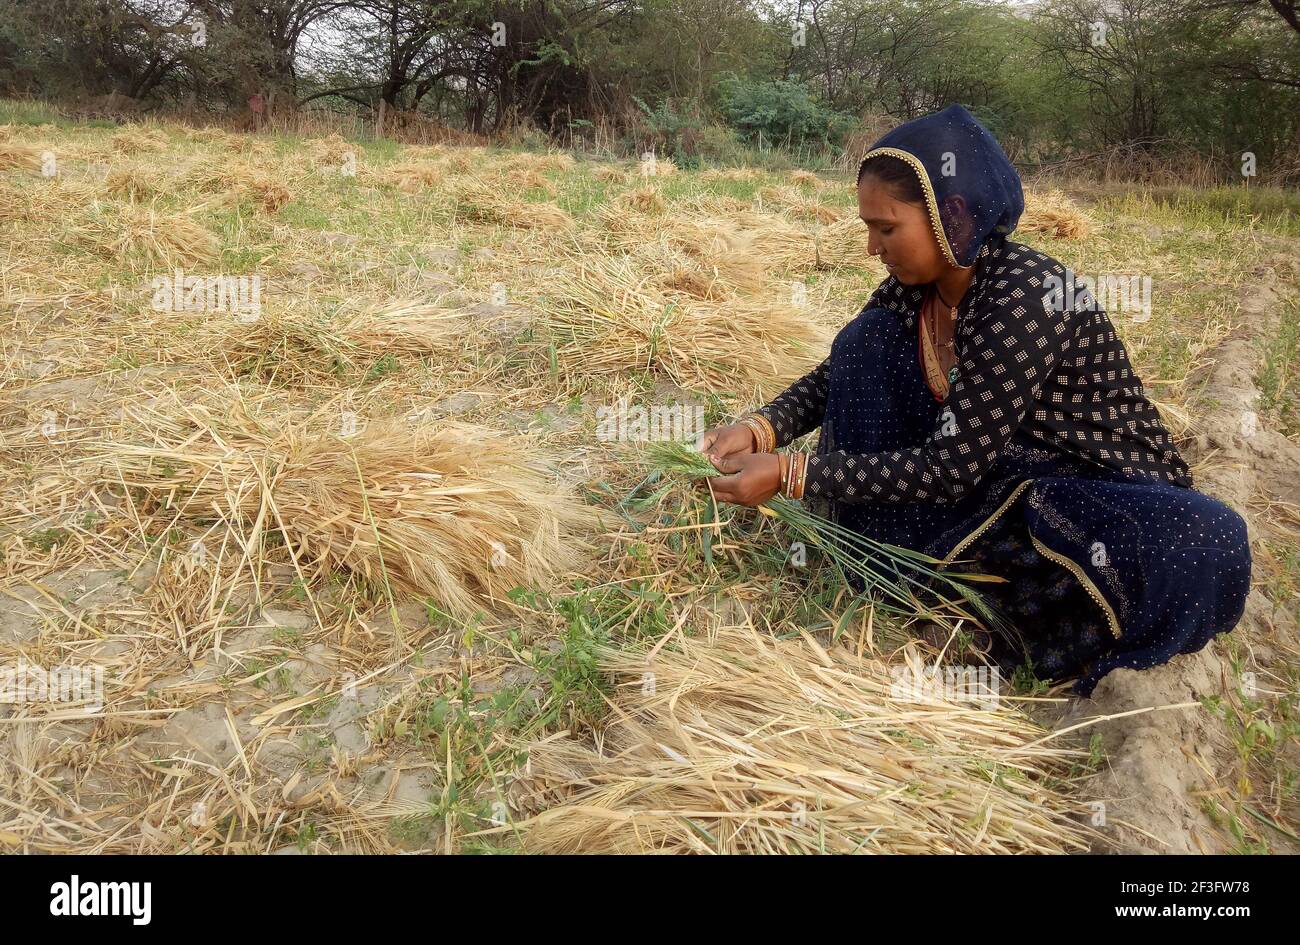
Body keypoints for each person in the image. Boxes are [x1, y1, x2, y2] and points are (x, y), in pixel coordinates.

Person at [698, 104, 1251, 696]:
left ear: (950, 216)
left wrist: (792, 474)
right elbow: (835, 377)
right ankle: (897, 548)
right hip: (994, 472)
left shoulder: (1027, 297)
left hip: (1086, 486)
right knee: (866, 341)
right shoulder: (921, 287)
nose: (871, 247)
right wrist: (762, 429)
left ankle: (978, 596)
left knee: (1200, 539)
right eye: (869, 228)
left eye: (887, 229)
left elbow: (951, 468)